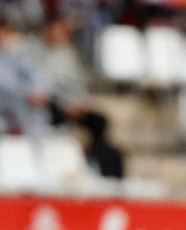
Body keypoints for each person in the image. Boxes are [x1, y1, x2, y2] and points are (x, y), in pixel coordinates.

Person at [35, 14, 124, 177]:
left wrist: (79, 102)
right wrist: (65, 104)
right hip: (51, 106)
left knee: (99, 122)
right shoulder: (39, 54)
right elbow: (43, 87)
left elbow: (78, 85)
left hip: (71, 106)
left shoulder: (69, 55)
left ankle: (97, 163)